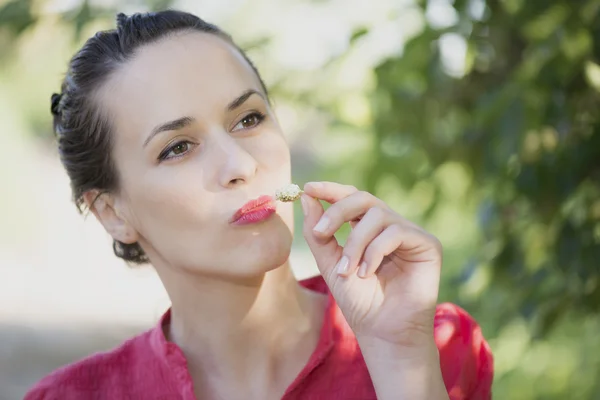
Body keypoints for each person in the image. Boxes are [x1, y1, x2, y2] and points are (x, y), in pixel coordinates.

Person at [24, 10, 493, 400]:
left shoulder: (433, 346)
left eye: (249, 118)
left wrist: (400, 360)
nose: (240, 163)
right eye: (177, 147)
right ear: (112, 212)